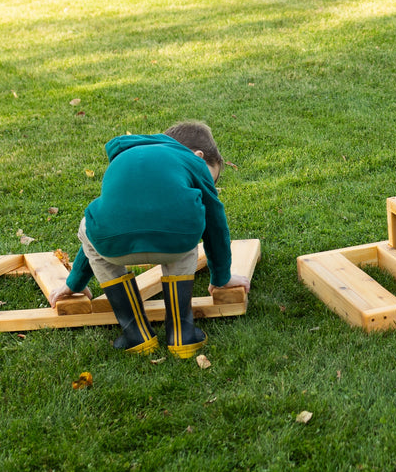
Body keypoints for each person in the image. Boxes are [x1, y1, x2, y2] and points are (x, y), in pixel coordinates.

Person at [49, 120, 249, 358]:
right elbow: (215, 225)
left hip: (112, 244)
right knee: (187, 219)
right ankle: (182, 335)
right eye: (211, 180)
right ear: (197, 155)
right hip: (175, 243)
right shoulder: (192, 161)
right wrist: (221, 277)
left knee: (91, 228)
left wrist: (75, 284)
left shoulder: (126, 157)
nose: (208, 186)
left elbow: (98, 229)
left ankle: (135, 334)